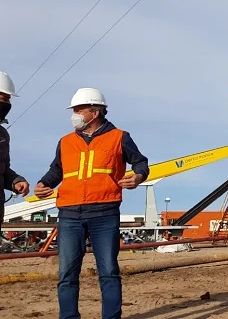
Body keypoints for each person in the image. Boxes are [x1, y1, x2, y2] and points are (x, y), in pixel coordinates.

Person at [34, 87, 149, 319]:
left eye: (78, 109)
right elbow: (56, 171)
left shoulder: (120, 137)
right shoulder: (65, 142)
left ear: (94, 112)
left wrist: (137, 177)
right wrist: (42, 184)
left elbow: (141, 164)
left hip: (104, 212)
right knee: (66, 273)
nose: (74, 114)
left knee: (108, 271)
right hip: (68, 213)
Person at [0, 71, 30, 228]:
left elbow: (3, 171)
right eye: (1, 98)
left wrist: (15, 181)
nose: (4, 104)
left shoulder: (3, 135)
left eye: (7, 100)